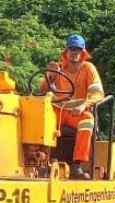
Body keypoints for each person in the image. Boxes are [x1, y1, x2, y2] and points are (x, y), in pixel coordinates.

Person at [39, 34, 105, 179]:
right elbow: (42, 89)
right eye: (71, 49)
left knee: (87, 120)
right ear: (66, 52)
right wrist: (50, 75)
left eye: (77, 50)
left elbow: (98, 93)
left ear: (82, 53)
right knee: (42, 119)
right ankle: (43, 162)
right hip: (58, 111)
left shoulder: (88, 69)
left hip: (77, 113)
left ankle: (76, 165)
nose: (74, 53)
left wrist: (83, 106)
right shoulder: (58, 68)